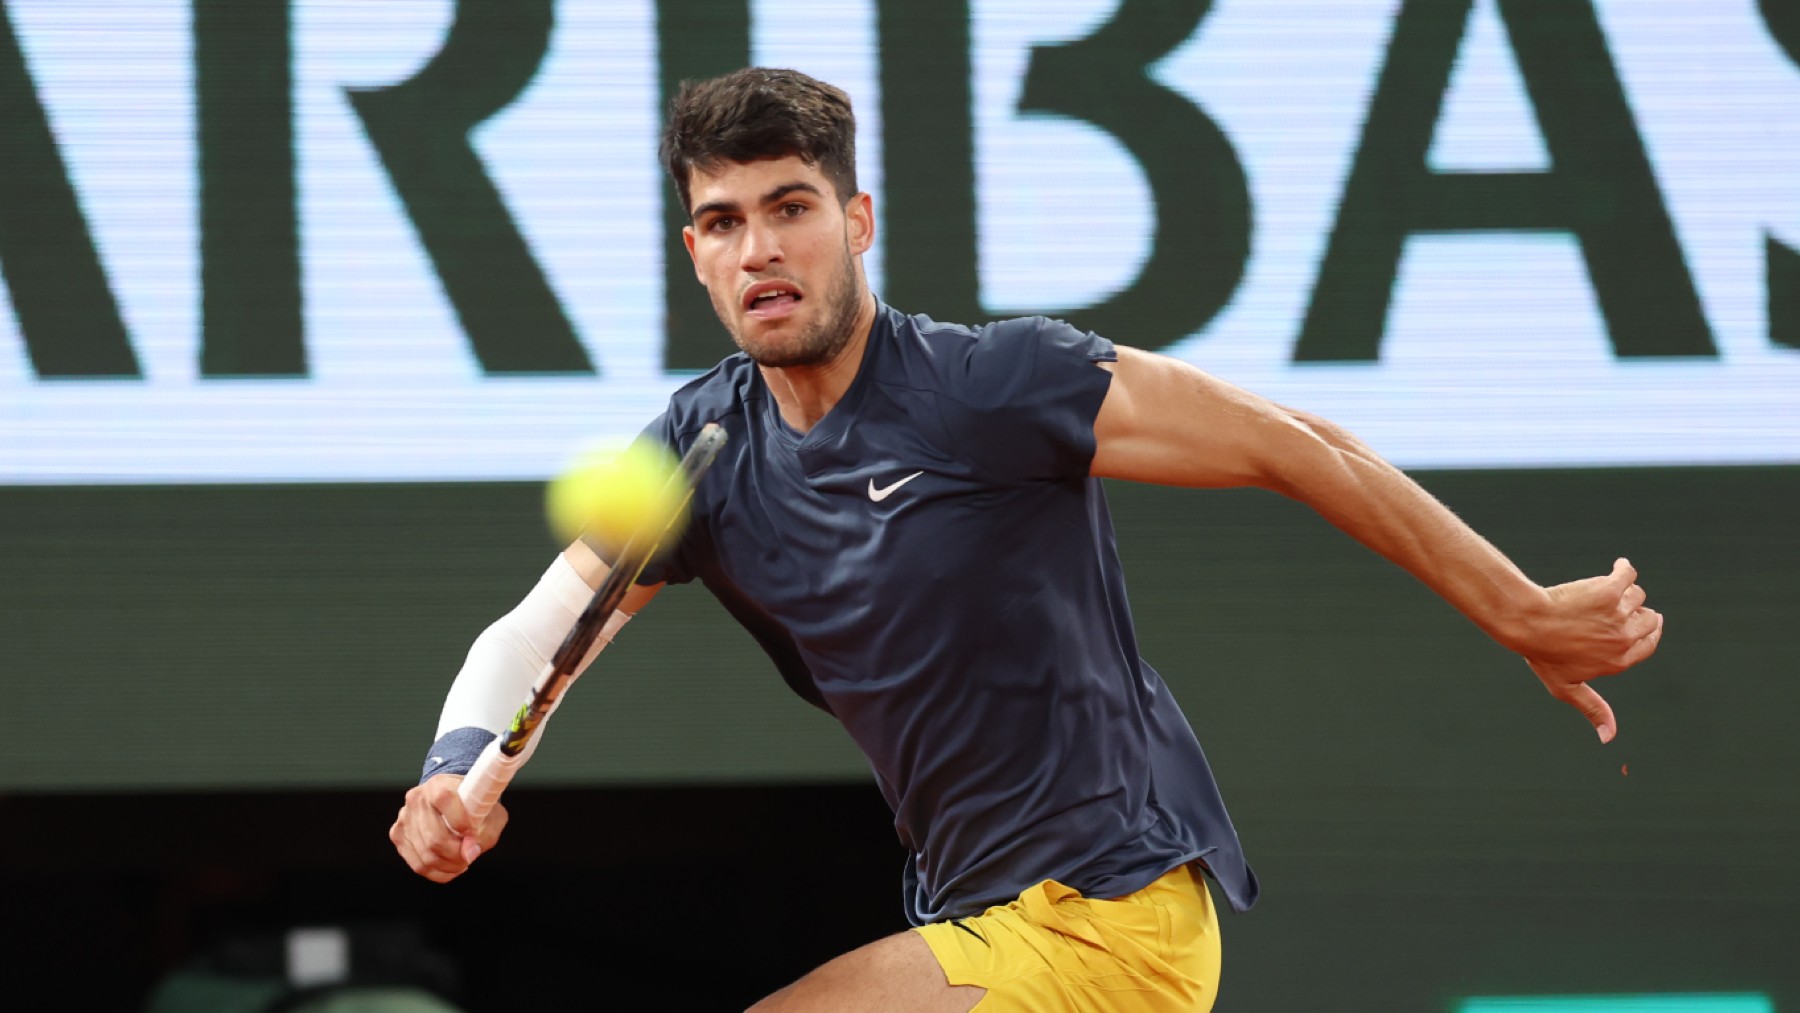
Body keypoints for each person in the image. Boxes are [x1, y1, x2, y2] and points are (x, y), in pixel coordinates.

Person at [389, 67, 1664, 1011]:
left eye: (791, 207)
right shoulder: (702, 450)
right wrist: (458, 770)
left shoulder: (992, 386)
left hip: (1111, 916)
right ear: (695, 252)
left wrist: (1514, 605)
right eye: (723, 222)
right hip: (973, 919)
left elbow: (1288, 438)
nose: (760, 248)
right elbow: (539, 634)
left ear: (859, 219)